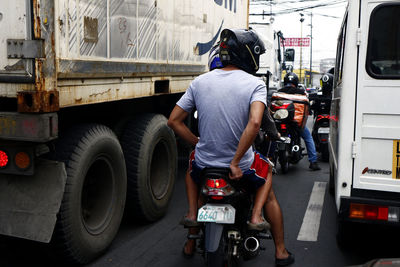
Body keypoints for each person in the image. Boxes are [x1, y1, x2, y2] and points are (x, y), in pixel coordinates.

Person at [168, 29, 294, 266]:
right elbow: (256, 122)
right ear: (249, 55)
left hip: (205, 164)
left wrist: (198, 143)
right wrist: (235, 162)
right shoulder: (254, 84)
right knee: (266, 171)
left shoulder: (199, 82)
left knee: (191, 168)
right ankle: (274, 243)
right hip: (240, 166)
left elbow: (173, 120)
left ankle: (193, 216)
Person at [278, 72, 321, 171]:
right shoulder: (301, 92)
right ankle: (313, 162)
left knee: (272, 136)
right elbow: (306, 106)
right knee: (308, 138)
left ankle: (270, 158)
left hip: (281, 121)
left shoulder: (280, 91)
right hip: (296, 122)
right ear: (296, 82)